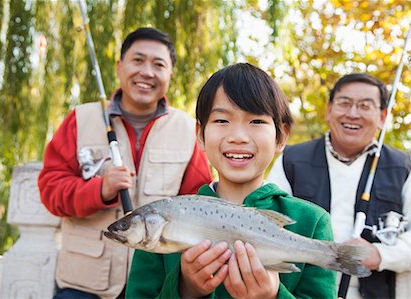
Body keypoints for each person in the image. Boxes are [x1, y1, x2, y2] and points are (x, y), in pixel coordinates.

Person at [125, 63, 337, 299]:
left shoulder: (312, 222)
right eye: (221, 121)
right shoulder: (159, 221)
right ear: (200, 134)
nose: (238, 137)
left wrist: (272, 296)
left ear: (281, 136)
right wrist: (186, 289)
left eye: (256, 121)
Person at [38, 27, 212, 299]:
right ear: (120, 67)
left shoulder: (189, 130)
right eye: (138, 60)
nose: (147, 72)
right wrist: (99, 190)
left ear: (170, 74)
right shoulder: (81, 120)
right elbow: (50, 190)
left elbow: (202, 204)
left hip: (155, 286)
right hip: (83, 286)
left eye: (159, 65)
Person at [267, 73, 411, 298]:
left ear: (382, 116)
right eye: (344, 103)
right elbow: (267, 223)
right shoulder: (291, 159)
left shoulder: (401, 166)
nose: (353, 113)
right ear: (329, 110)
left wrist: (381, 254)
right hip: (303, 291)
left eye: (364, 105)